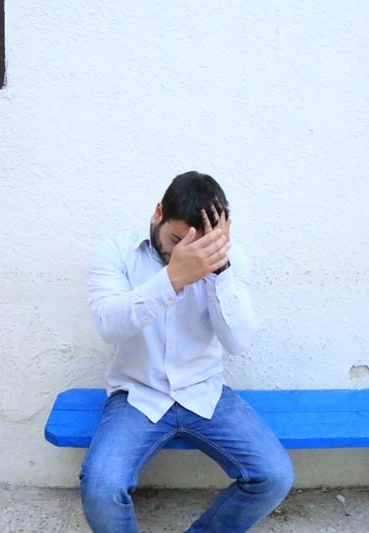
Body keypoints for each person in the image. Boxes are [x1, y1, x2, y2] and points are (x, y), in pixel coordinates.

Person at [81, 171, 294, 532]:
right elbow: (108, 324)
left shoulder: (231, 258)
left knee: (274, 476)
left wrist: (220, 271)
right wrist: (173, 278)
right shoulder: (114, 252)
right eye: (176, 239)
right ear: (158, 212)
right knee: (101, 488)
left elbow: (238, 342)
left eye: (198, 244)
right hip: (137, 395)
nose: (182, 251)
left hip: (204, 392)